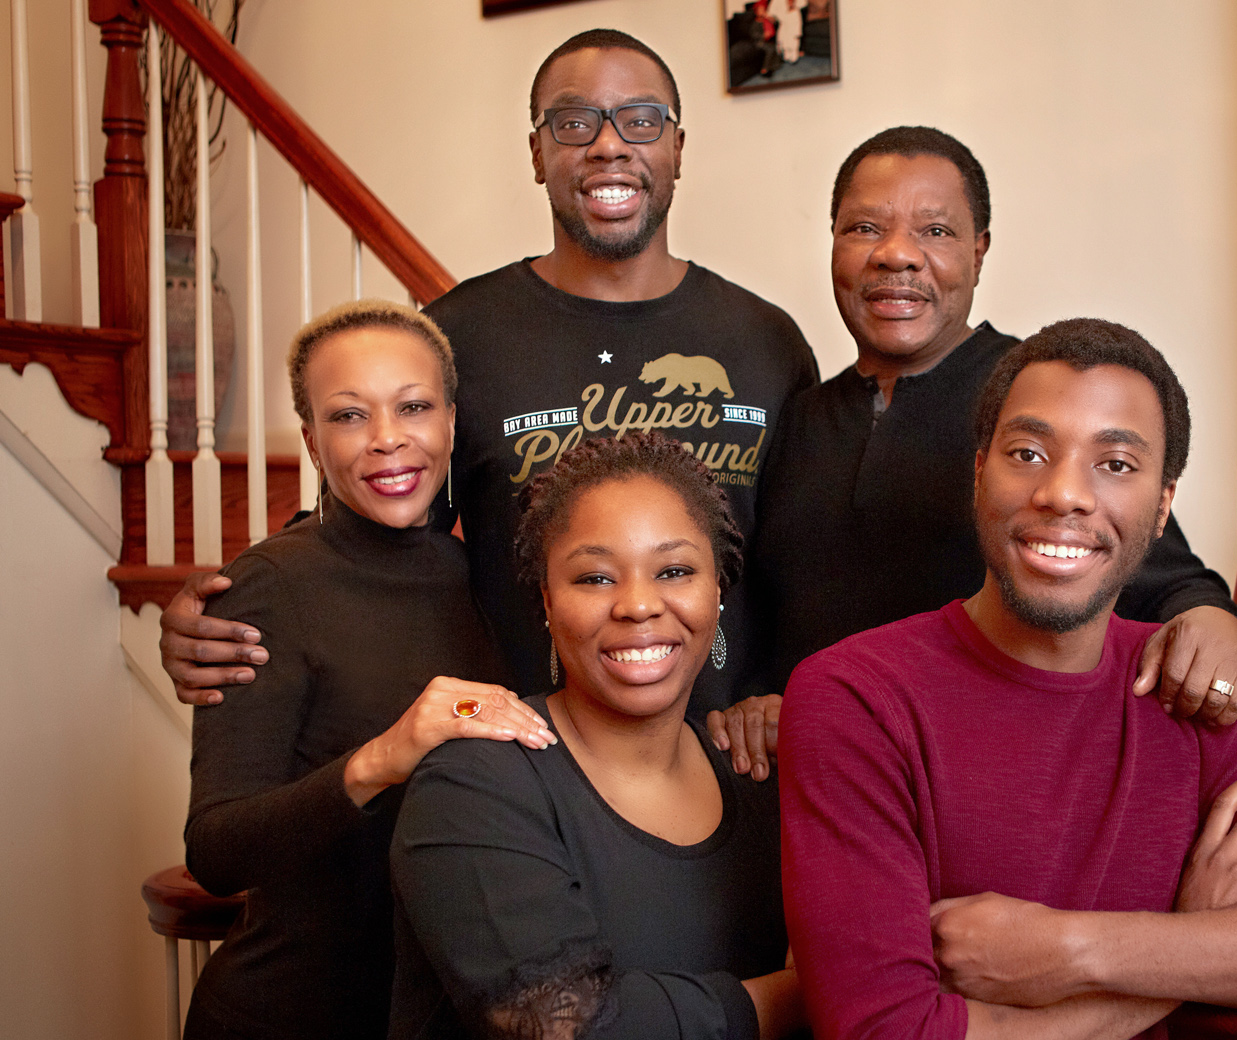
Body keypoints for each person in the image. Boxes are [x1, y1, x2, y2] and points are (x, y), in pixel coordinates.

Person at [762, 318, 1237, 1040]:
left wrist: (1071, 950)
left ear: (1161, 506)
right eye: (1027, 452)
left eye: (1116, 464)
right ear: (977, 470)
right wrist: (1180, 950)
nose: (1064, 494)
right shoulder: (854, 696)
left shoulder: (1181, 695)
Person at [156, 29, 817, 719]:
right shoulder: (459, 336)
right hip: (524, 755)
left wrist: (783, 692)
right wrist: (235, 605)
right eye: (573, 122)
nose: (608, 144)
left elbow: (806, 563)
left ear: (677, 146)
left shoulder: (764, 343)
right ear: (537, 153)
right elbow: (369, 528)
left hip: (731, 748)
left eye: (640, 120)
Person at [337, 432, 809, 1040]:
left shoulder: (757, 779)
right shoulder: (477, 777)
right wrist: (805, 992)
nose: (637, 604)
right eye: (594, 576)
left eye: (675, 570)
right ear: (546, 603)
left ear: (718, 589)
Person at [718, 126, 1237, 780]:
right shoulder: (796, 419)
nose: (896, 256)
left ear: (979, 251)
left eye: (934, 232)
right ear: (831, 243)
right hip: (823, 771)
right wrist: (758, 702)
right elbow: (767, 616)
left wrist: (1213, 623)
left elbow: (1163, 580)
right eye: (864, 228)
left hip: (988, 771)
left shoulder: (1031, 400)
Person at [178, 301, 555, 1040]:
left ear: (453, 423)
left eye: (413, 407)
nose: (388, 440)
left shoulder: (496, 583)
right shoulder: (269, 586)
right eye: (349, 414)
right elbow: (216, 850)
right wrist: (386, 756)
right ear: (311, 439)